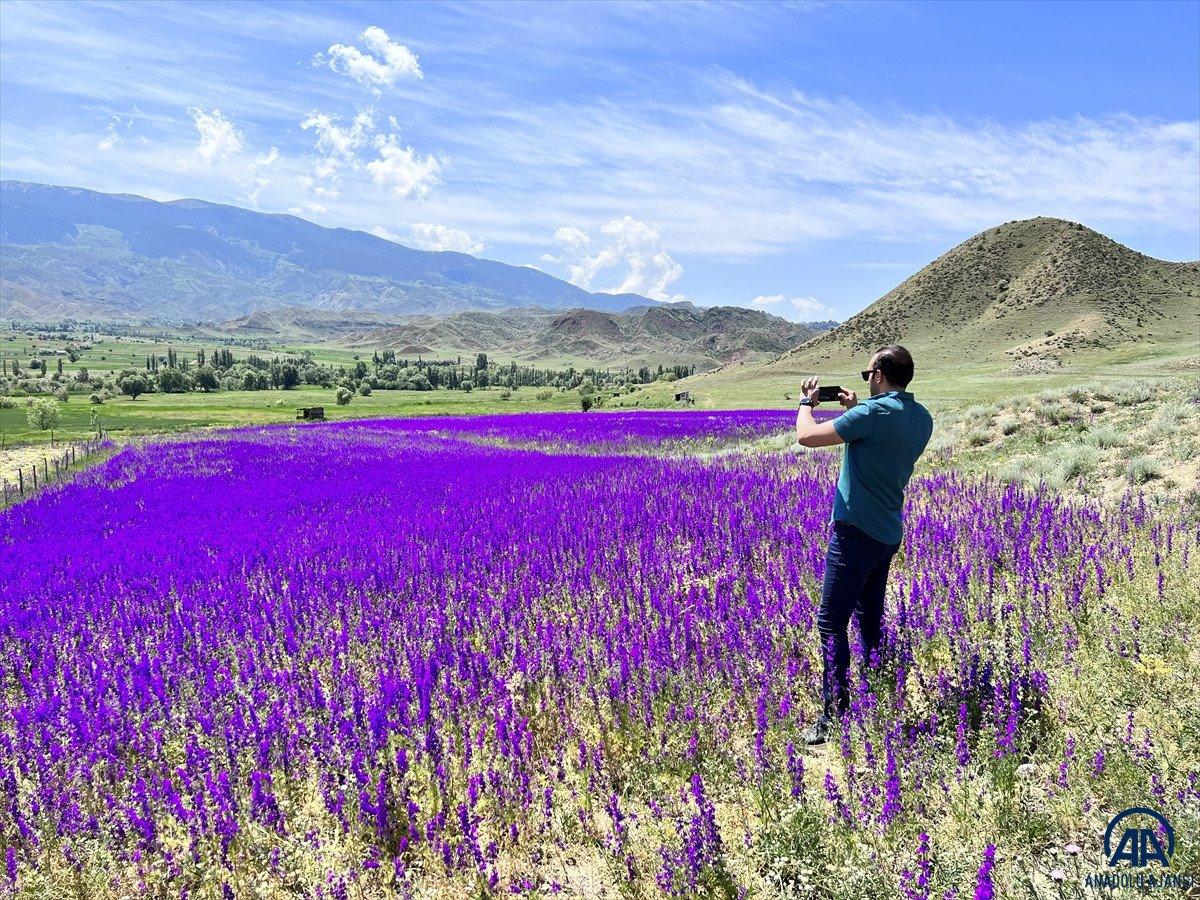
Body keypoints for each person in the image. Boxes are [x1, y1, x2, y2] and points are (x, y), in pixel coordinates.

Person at [792, 345, 933, 745]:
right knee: (869, 619)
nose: (865, 379)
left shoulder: (872, 414)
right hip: (887, 532)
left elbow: (806, 436)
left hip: (855, 532)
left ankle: (833, 716)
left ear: (881, 375)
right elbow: (878, 441)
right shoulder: (921, 418)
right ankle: (877, 700)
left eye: (867, 373)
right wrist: (856, 409)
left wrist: (807, 402)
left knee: (830, 622)